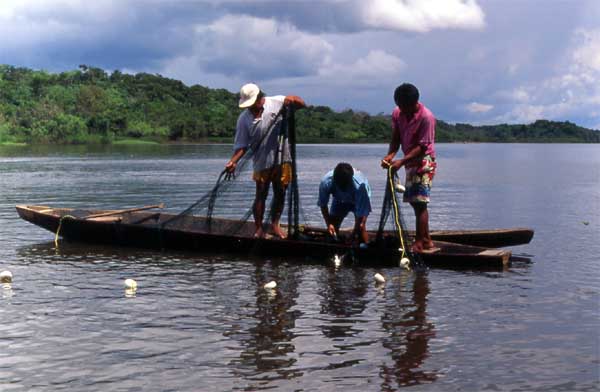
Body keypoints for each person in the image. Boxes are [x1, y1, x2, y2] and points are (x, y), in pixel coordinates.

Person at [225, 83, 305, 239]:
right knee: (261, 194)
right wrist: (233, 161)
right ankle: (259, 228)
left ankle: (275, 225)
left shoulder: (276, 102)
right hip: (261, 161)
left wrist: (292, 99)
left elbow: (302, 104)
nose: (251, 108)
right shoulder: (243, 120)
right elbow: (242, 146)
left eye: (253, 103)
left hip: (283, 157)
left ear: (260, 98)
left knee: (280, 192)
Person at [381, 83, 437, 252]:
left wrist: (401, 162)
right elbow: (396, 138)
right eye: (399, 105)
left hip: (423, 161)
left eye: (404, 106)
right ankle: (426, 240)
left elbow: (422, 147)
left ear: (414, 103)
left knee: (420, 203)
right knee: (414, 203)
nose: (401, 109)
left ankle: (420, 242)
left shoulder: (427, 117)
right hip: (408, 161)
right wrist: (390, 155)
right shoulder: (397, 113)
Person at [318, 162, 372, 246]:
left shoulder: (360, 187)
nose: (342, 187)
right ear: (334, 179)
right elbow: (323, 204)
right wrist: (329, 224)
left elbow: (361, 216)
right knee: (333, 229)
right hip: (339, 199)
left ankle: (366, 247)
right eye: (340, 184)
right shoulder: (326, 182)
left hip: (358, 199)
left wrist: (354, 233)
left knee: (360, 228)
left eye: (344, 185)